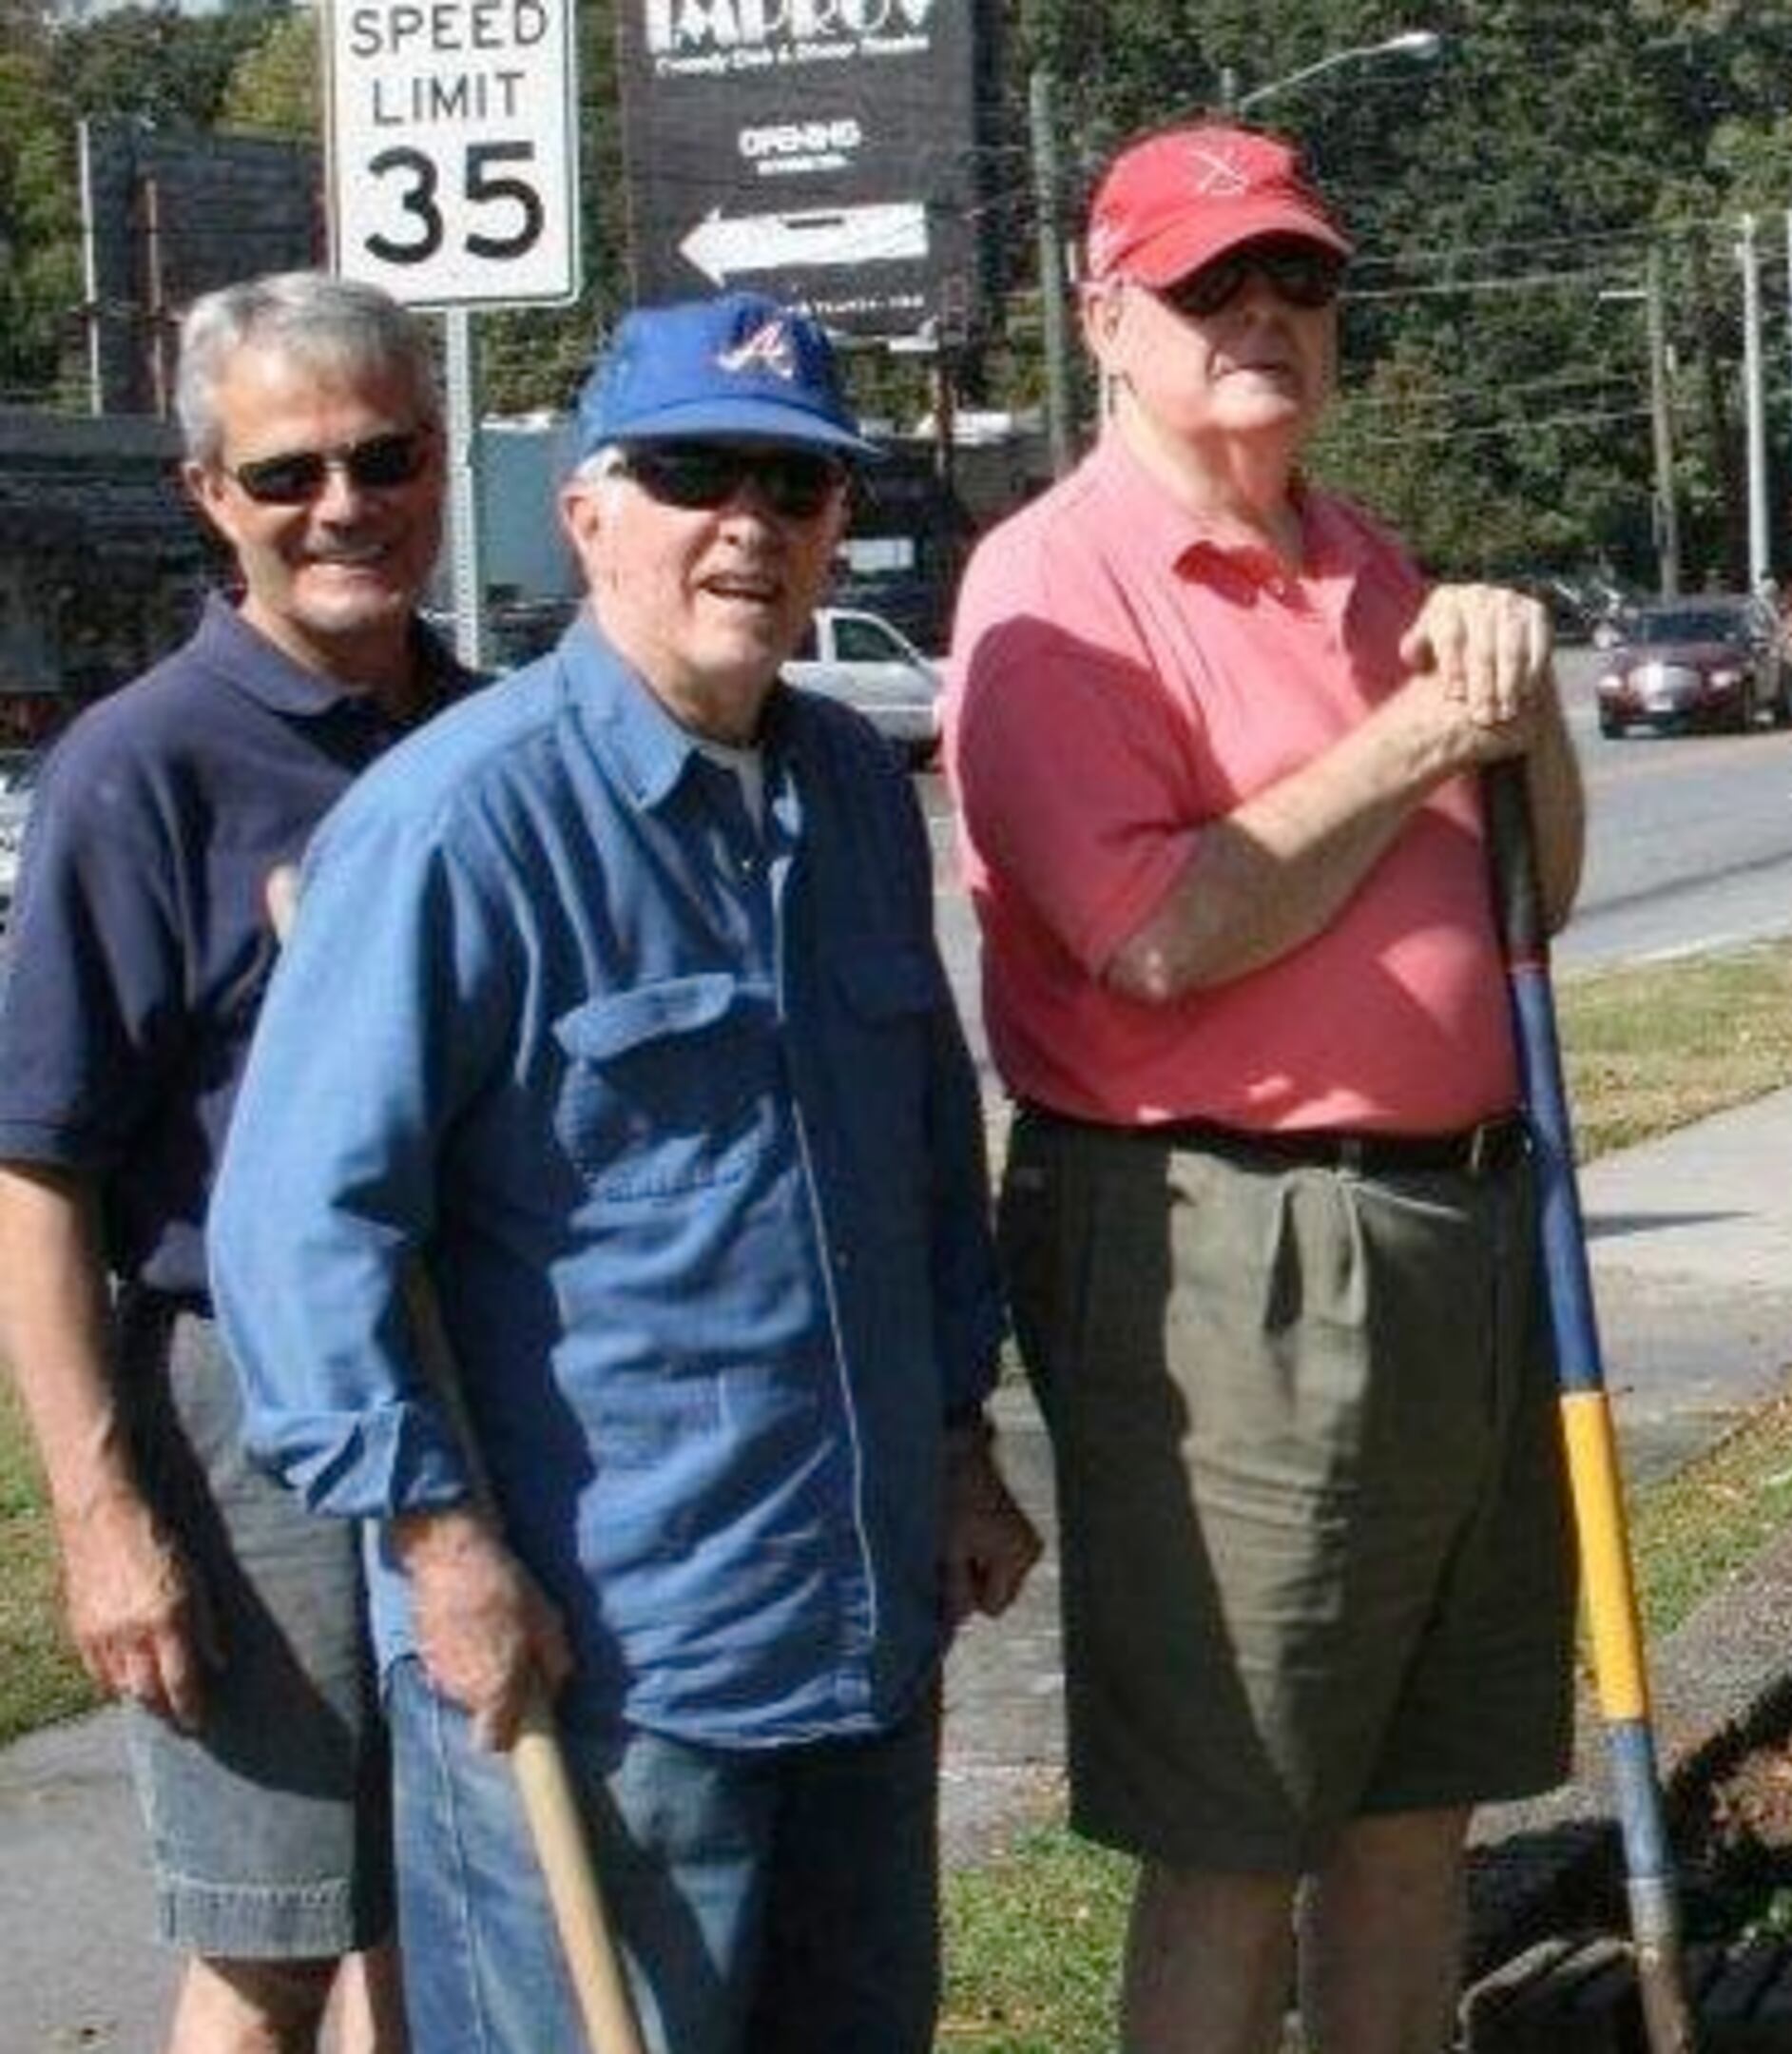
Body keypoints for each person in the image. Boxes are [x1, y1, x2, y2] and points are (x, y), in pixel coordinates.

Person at [205, 289, 1041, 2054]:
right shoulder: (457, 825)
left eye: (794, 487)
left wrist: (963, 1442)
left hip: (861, 1628)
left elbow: (917, 1153)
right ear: (588, 512)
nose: (748, 522)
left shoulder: (855, 795)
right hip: (609, 1674)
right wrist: (439, 1547)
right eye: (691, 473)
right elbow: (299, 1237)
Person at [943, 121, 1586, 2054]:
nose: (1266, 319)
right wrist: (1418, 734)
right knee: (1240, 1823)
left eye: (1298, 280)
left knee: (1415, 1817)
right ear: (1105, 322)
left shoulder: (1373, 563)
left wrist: (1526, 709)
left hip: (1464, 1224)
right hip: (1229, 1251)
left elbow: (1530, 889)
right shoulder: (1054, 593)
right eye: (1211, 285)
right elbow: (1153, 935)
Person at [0, 269, 464, 2054]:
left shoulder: (487, 739)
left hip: (474, 1381)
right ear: (209, 495)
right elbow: (37, 1170)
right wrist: (102, 1516)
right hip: (246, 1410)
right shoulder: (140, 771)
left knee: (440, 1904)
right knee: (276, 1935)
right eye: (286, 474)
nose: (342, 505)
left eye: (383, 455)